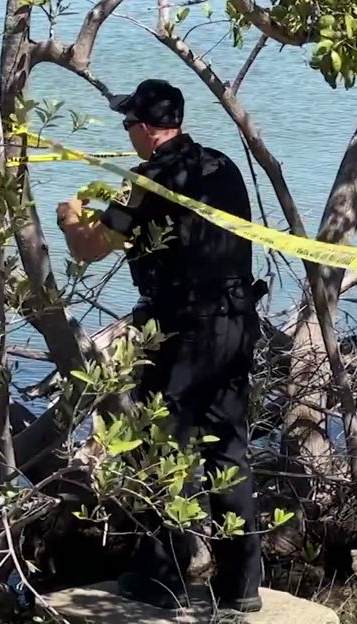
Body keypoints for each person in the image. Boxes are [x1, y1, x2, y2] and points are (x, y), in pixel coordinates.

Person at [55, 78, 266, 613]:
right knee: (228, 451)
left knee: (162, 449)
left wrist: (69, 216)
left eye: (129, 125)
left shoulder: (146, 180)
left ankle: (163, 579)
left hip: (183, 335)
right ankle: (241, 587)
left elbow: (90, 250)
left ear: (147, 130)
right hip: (236, 323)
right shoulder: (221, 166)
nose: (127, 134)